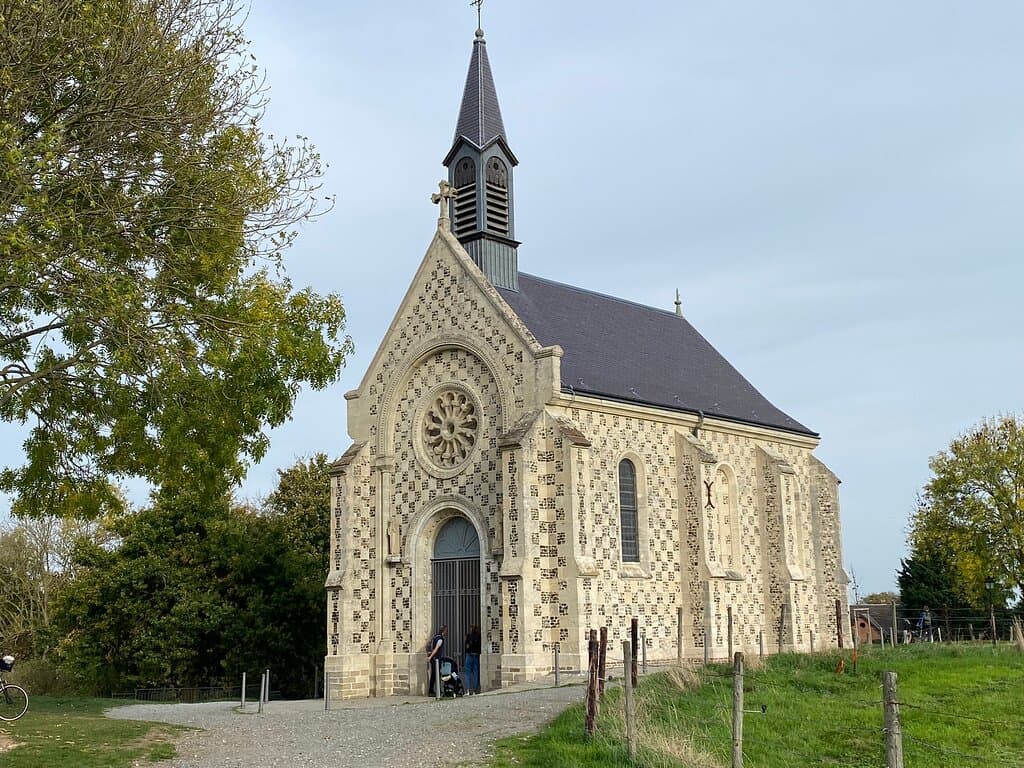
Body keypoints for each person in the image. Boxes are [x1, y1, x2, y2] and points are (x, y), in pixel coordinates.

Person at [426, 624, 447, 695]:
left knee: (434, 675)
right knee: (436, 675)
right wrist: (430, 657)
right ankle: (433, 691)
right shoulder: (440, 639)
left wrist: (429, 654)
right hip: (436, 659)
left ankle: (435, 690)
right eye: (446, 631)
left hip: (434, 659)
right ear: (444, 631)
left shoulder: (435, 637)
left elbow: (429, 645)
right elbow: (436, 649)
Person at [464, 624, 481, 695]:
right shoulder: (479, 636)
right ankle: (475, 690)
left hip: (469, 655)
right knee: (475, 673)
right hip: (476, 655)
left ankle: (467, 690)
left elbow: (466, 645)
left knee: (467, 673)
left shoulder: (469, 636)